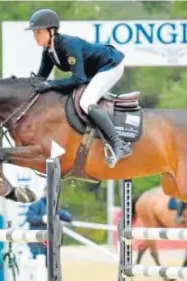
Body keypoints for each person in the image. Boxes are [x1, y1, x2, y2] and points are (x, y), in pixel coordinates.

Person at [25, 8, 132, 166]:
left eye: (39, 32)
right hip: (94, 72)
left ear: (51, 31)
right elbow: (41, 78)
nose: (35, 36)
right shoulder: (48, 51)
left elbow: (78, 79)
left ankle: (119, 143)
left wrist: (49, 84)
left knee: (86, 102)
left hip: (111, 65)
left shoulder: (69, 45)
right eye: (34, 32)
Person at [25, 186, 72, 260]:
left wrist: (61, 215)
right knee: (38, 266)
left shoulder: (53, 206)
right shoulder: (36, 204)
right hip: (37, 242)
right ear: (44, 192)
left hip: (50, 243)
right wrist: (42, 218)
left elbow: (68, 217)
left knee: (49, 267)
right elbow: (29, 217)